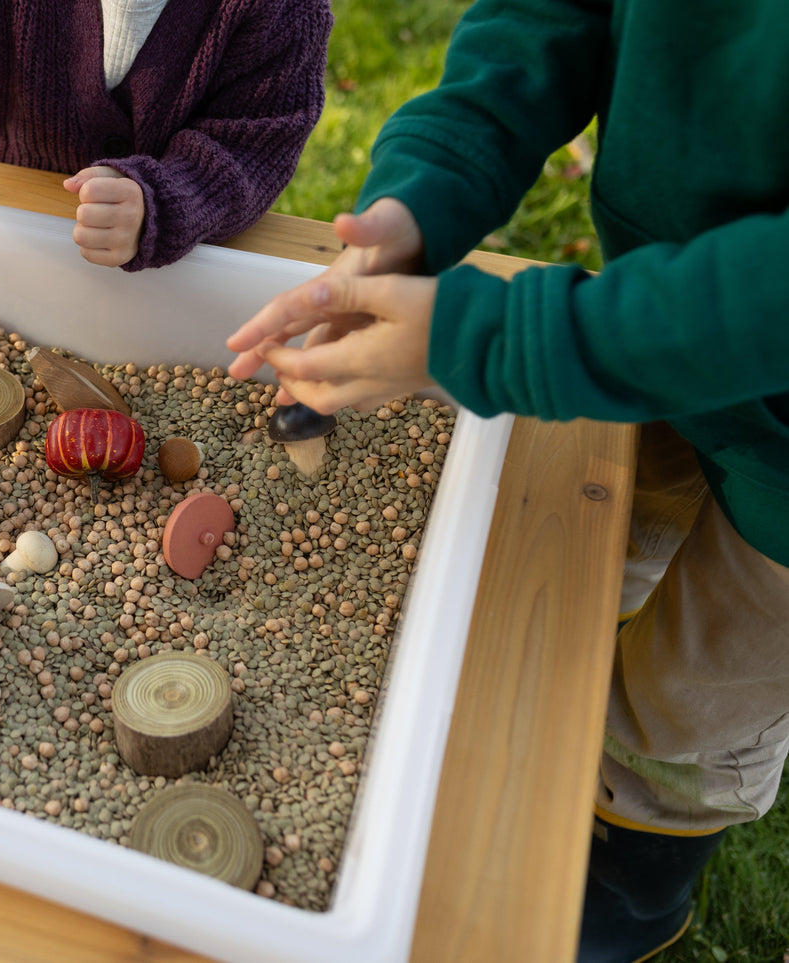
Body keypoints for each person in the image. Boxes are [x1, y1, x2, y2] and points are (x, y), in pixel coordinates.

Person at [225, 3, 789, 961]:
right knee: (610, 551)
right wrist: (420, 195)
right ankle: (585, 725)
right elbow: (545, 18)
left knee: (695, 694)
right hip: (643, 328)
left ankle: (640, 875)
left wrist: (500, 340)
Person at [0, 0, 332, 272]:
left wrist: (163, 201)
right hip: (5, 215)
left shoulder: (284, 9)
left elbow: (255, 138)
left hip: (178, 263)